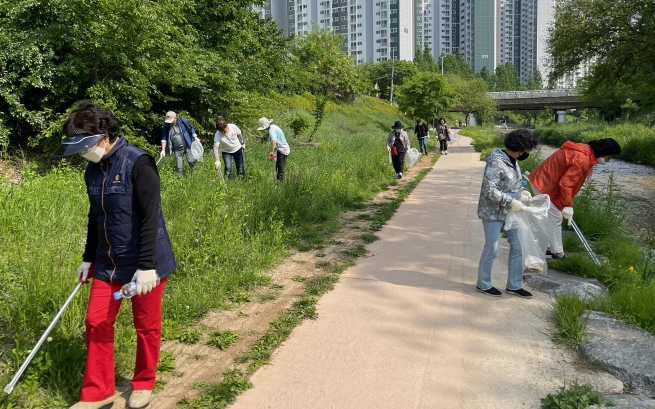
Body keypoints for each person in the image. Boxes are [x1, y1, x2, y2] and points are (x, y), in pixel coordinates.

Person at [51, 101, 177, 409]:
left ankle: (144, 383)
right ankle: (98, 392)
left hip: (145, 263)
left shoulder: (139, 164)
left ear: (104, 135)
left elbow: (150, 218)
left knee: (146, 325)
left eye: (85, 147)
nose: (83, 155)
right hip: (108, 263)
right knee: (96, 322)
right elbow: (97, 216)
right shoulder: (93, 171)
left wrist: (147, 267)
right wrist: (88, 257)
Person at [527, 138, 621, 259]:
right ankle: (557, 252)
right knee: (555, 217)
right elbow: (566, 184)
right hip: (545, 184)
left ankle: (548, 249)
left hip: (544, 180)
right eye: (610, 157)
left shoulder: (585, 151)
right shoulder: (582, 158)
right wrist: (568, 205)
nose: (609, 160)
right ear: (605, 152)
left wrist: (565, 204)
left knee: (551, 216)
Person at [476, 129, 539, 298]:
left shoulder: (513, 160)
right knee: (492, 248)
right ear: (520, 147)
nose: (528, 153)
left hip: (511, 213)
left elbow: (512, 184)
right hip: (493, 212)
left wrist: (522, 193)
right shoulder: (496, 161)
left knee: (518, 247)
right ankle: (483, 283)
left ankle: (514, 285)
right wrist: (510, 200)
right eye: (527, 149)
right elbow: (489, 189)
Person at [257, 117, 290, 182]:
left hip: (282, 149)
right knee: (278, 167)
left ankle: (280, 185)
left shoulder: (271, 130)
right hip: (282, 148)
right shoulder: (273, 126)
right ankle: (279, 183)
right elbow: (276, 142)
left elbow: (274, 142)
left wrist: (271, 152)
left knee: (280, 168)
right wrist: (274, 154)